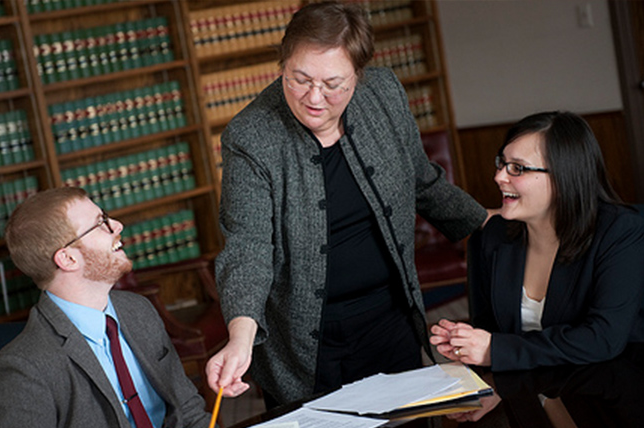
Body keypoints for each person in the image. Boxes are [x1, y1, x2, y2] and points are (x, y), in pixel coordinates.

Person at [206, 1, 488, 407]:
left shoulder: (383, 94)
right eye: (298, 79)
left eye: (333, 84)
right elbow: (249, 247)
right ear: (282, 63)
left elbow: (422, 182)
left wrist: (490, 224)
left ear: (359, 74)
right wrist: (241, 338)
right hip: (308, 342)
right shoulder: (251, 137)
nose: (313, 98)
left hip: (391, 318)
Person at [430, 111, 644, 422]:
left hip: (613, 401)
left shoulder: (620, 232)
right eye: (501, 164)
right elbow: (490, 329)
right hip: (533, 401)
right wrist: (468, 347)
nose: (499, 177)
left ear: (563, 176)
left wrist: (496, 350)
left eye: (517, 168)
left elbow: (602, 339)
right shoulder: (491, 238)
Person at [0, 187, 212, 428]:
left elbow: (188, 411)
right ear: (68, 259)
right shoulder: (22, 371)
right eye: (100, 223)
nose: (118, 225)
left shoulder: (139, 310)